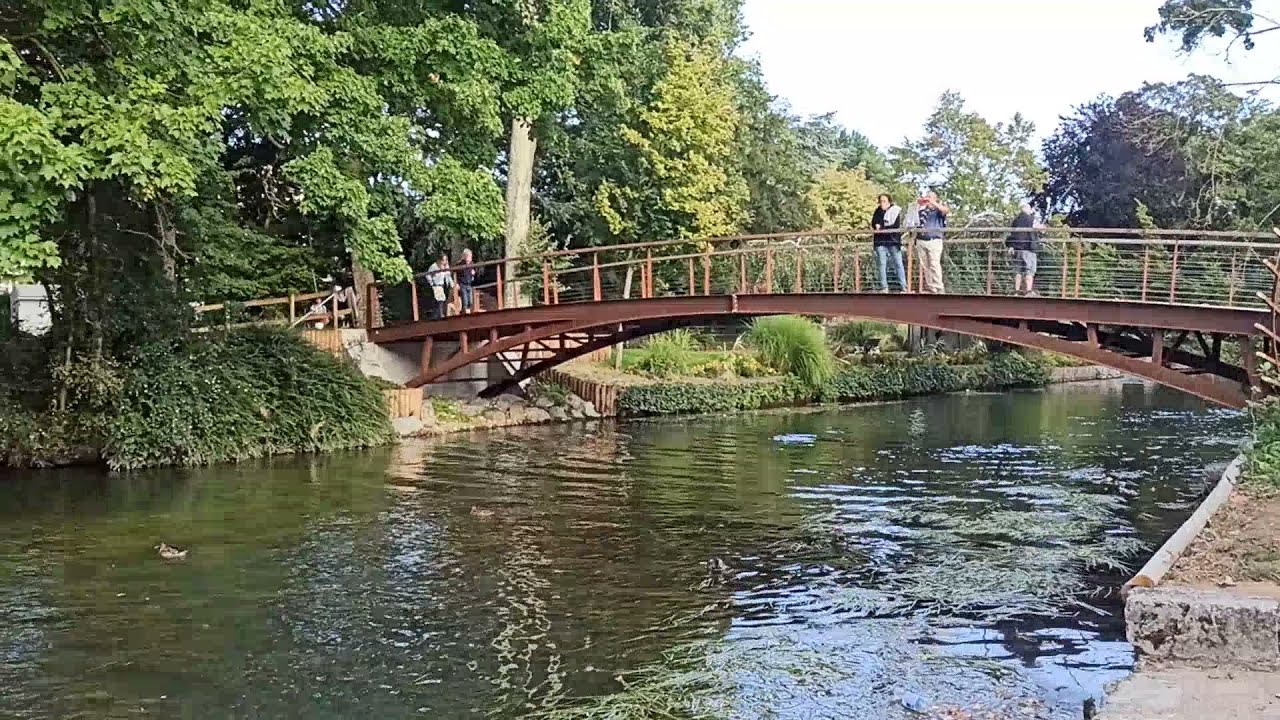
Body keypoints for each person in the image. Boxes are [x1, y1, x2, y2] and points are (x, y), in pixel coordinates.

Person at [870, 194, 906, 292]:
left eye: (884, 201)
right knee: (882, 263)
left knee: (898, 263)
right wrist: (878, 226)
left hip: (893, 240)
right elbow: (874, 223)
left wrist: (881, 227)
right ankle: (884, 287)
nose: (882, 203)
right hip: (880, 241)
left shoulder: (894, 211)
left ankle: (903, 287)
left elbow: (894, 226)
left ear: (889, 202)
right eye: (881, 201)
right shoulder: (878, 211)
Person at [916, 190, 950, 294]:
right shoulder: (922, 211)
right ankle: (931, 287)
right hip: (921, 240)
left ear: (935, 199)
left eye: (930, 197)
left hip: (934, 240)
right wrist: (919, 205)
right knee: (925, 265)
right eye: (927, 197)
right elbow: (913, 220)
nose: (928, 199)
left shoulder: (938, 211)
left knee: (934, 264)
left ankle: (939, 287)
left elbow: (946, 210)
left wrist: (933, 202)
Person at [1006, 202, 1041, 296]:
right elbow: (1039, 228)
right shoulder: (1031, 219)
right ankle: (1028, 291)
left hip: (1017, 249)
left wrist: (1011, 246)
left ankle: (1016, 291)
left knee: (1018, 271)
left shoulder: (1016, 220)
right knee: (1029, 271)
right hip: (1028, 248)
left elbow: (1011, 234)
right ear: (1027, 209)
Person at [426, 253, 454, 320]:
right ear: (439, 260)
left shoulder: (446, 266)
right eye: (443, 260)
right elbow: (428, 275)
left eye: (446, 260)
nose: (444, 261)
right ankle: (440, 315)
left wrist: (452, 284)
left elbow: (448, 275)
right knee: (440, 300)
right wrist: (432, 283)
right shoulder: (434, 266)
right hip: (437, 285)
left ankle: (439, 314)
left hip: (444, 285)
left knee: (442, 299)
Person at [457, 248, 477, 314]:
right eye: (469, 256)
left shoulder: (472, 264)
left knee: (470, 301)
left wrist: (473, 273)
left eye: (471, 256)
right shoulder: (460, 264)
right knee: (465, 301)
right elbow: (456, 273)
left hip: (469, 284)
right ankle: (465, 313)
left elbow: (474, 272)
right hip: (463, 284)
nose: (470, 258)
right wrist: (457, 283)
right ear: (465, 257)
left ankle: (468, 312)